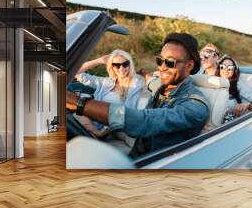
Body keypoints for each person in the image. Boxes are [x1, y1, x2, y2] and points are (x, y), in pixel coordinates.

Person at [66, 33, 210, 158]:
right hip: (138, 154)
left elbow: (144, 121)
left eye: (170, 62)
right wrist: (145, 74)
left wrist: (80, 104)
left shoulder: (195, 106)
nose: (162, 67)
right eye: (160, 60)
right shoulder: (161, 86)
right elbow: (151, 82)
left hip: (156, 164)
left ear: (190, 66)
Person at [69, 49, 145, 138]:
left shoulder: (136, 84)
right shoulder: (106, 82)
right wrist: (99, 60)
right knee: (76, 115)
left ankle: (97, 134)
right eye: (116, 65)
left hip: (112, 124)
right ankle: (96, 133)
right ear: (111, 67)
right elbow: (76, 72)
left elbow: (130, 111)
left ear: (130, 64)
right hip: (94, 121)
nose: (122, 68)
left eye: (125, 64)